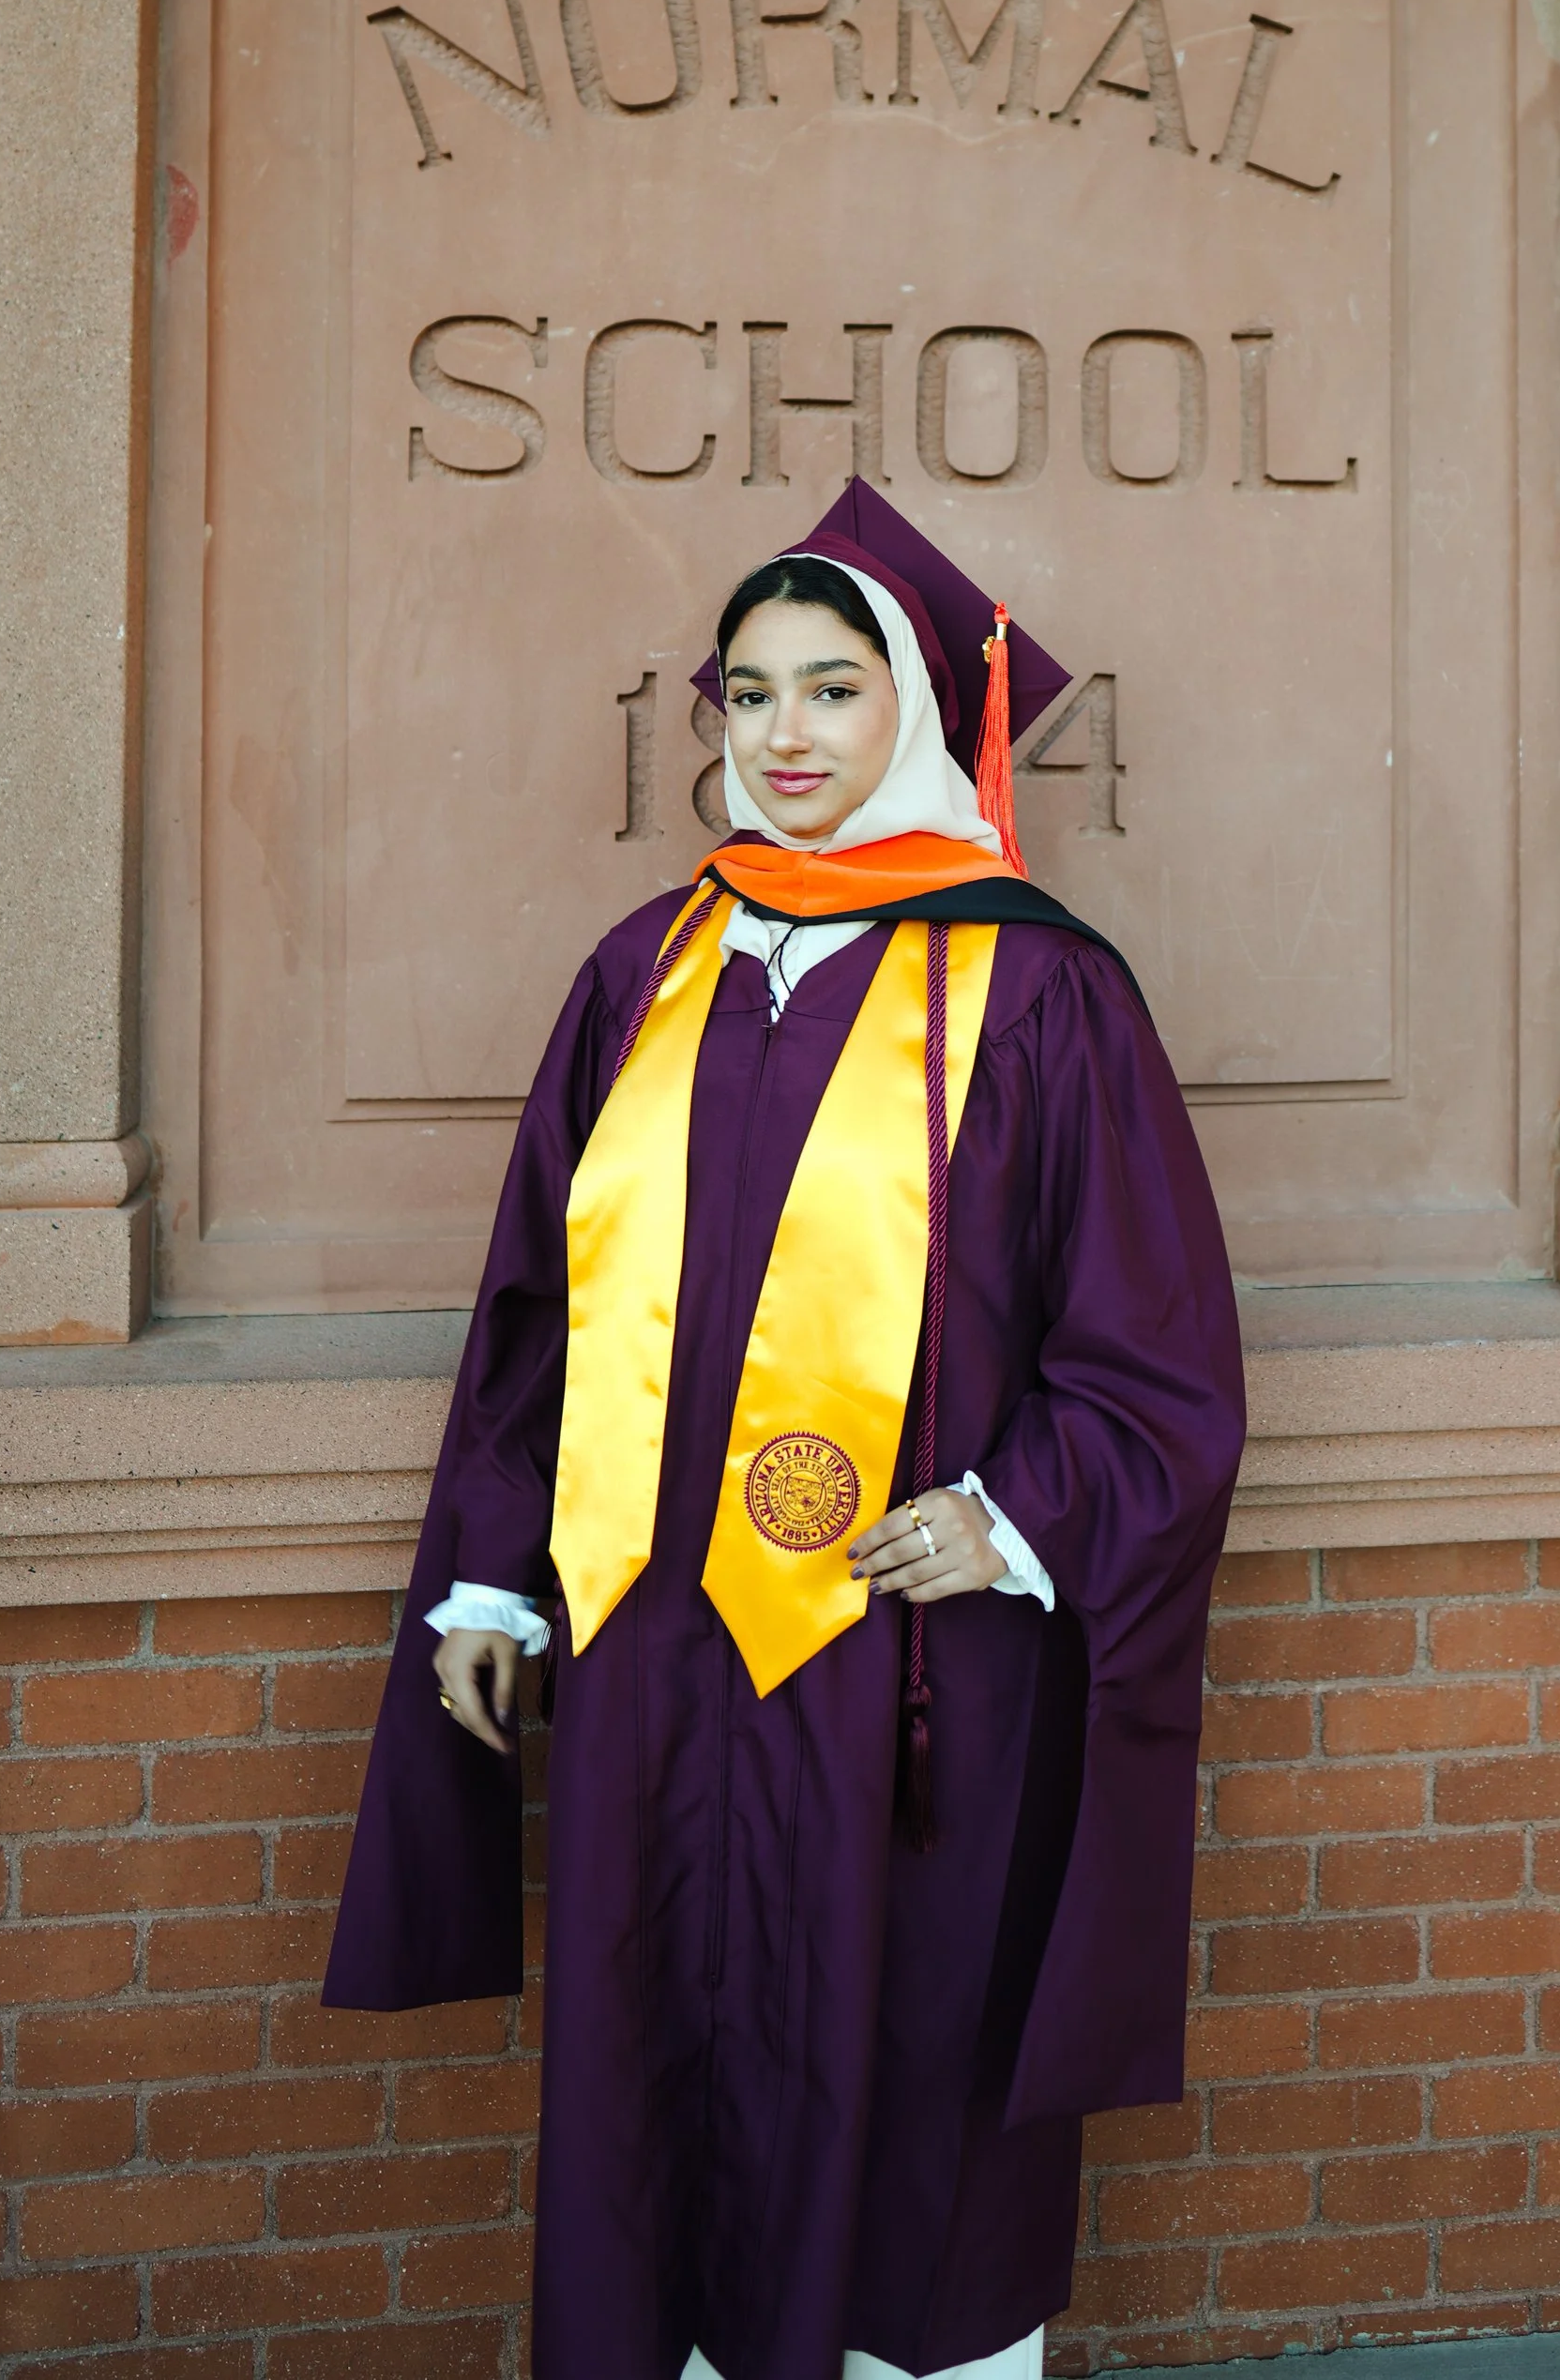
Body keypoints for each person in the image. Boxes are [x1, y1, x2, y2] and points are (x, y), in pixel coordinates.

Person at [325, 478, 1246, 2380]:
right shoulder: (645, 970)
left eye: (832, 692)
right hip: (654, 1657)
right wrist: (493, 1590)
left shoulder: (1038, 987)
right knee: (657, 2078)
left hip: (901, 1678)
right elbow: (532, 1324)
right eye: (747, 697)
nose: (787, 737)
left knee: (908, 2091)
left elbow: (1153, 1345)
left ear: (910, 714)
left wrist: (1017, 1515)